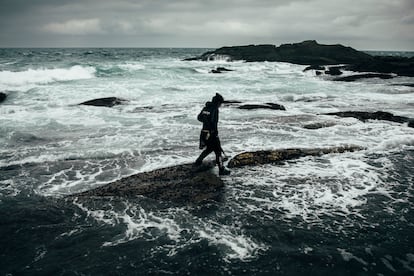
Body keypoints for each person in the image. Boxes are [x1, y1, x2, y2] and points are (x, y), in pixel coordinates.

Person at [194, 93, 230, 175]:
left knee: (209, 149)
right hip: (211, 133)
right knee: (218, 151)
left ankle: (198, 161)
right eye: (220, 103)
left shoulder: (206, 108)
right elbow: (213, 122)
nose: (220, 105)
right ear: (217, 102)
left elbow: (199, 118)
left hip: (203, 132)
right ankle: (221, 169)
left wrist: (206, 121)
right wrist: (215, 133)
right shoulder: (215, 109)